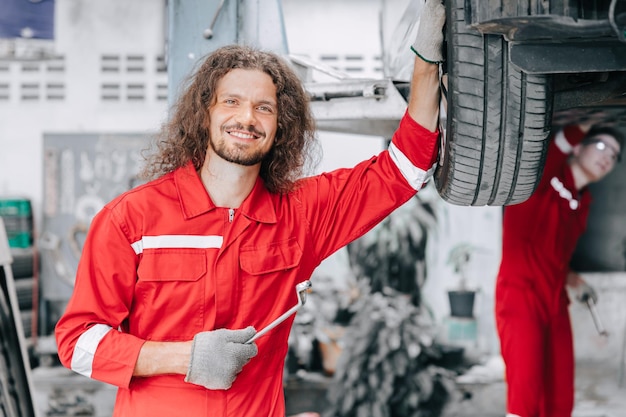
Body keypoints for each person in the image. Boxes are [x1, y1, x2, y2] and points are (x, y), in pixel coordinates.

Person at [54, 1, 447, 415]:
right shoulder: (132, 219)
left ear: (280, 128)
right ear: (204, 113)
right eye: (232, 102)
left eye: (264, 108)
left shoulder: (301, 215)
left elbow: (404, 168)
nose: (247, 118)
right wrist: (184, 358)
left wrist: (424, 59)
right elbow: (76, 342)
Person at [495, 120, 624, 417]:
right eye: (602, 146)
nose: (608, 157)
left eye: (614, 155)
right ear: (579, 147)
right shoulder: (544, 177)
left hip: (555, 303)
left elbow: (555, 256)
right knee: (525, 396)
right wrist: (585, 123)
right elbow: (555, 148)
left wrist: (572, 279)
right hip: (521, 297)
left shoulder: (583, 203)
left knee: (560, 398)